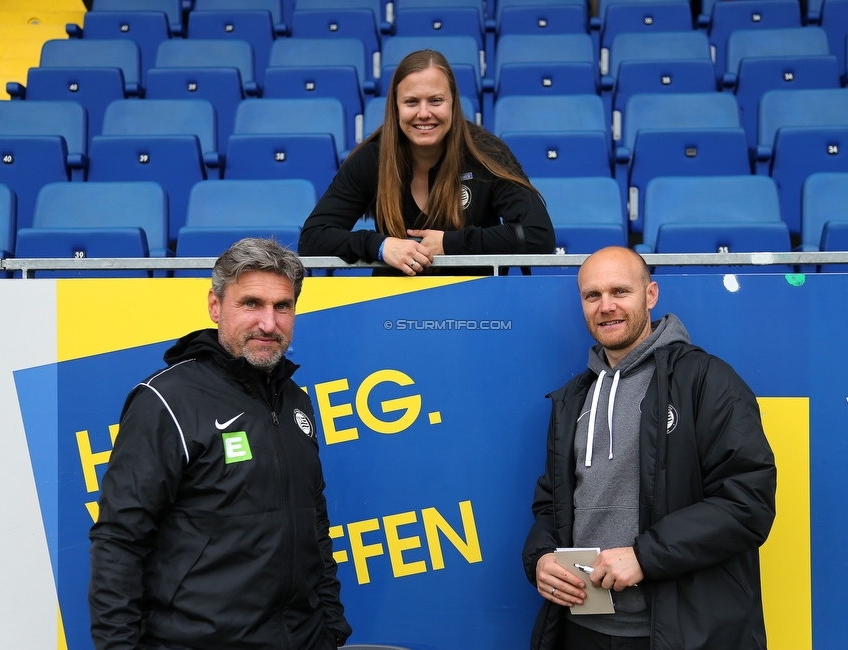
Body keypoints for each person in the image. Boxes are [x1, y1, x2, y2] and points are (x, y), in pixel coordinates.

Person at [89, 238, 352, 650]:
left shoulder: (294, 399)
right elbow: (119, 540)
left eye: (282, 306)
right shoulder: (166, 400)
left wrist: (331, 624)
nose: (269, 322)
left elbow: (314, 520)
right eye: (251, 304)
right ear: (215, 306)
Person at [523, 247, 777, 650]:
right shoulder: (573, 398)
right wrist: (540, 557)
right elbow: (551, 502)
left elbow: (748, 503)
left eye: (620, 291)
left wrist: (646, 555)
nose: (606, 307)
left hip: (679, 633)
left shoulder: (707, 380)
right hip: (583, 630)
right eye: (592, 296)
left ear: (651, 295)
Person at [297, 49, 555, 275]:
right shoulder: (371, 159)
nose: (423, 113)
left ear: (453, 103)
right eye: (411, 102)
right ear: (395, 108)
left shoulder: (486, 153)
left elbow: (538, 236)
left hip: (477, 308)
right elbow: (313, 238)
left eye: (435, 100)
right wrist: (381, 246)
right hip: (391, 306)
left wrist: (450, 244)